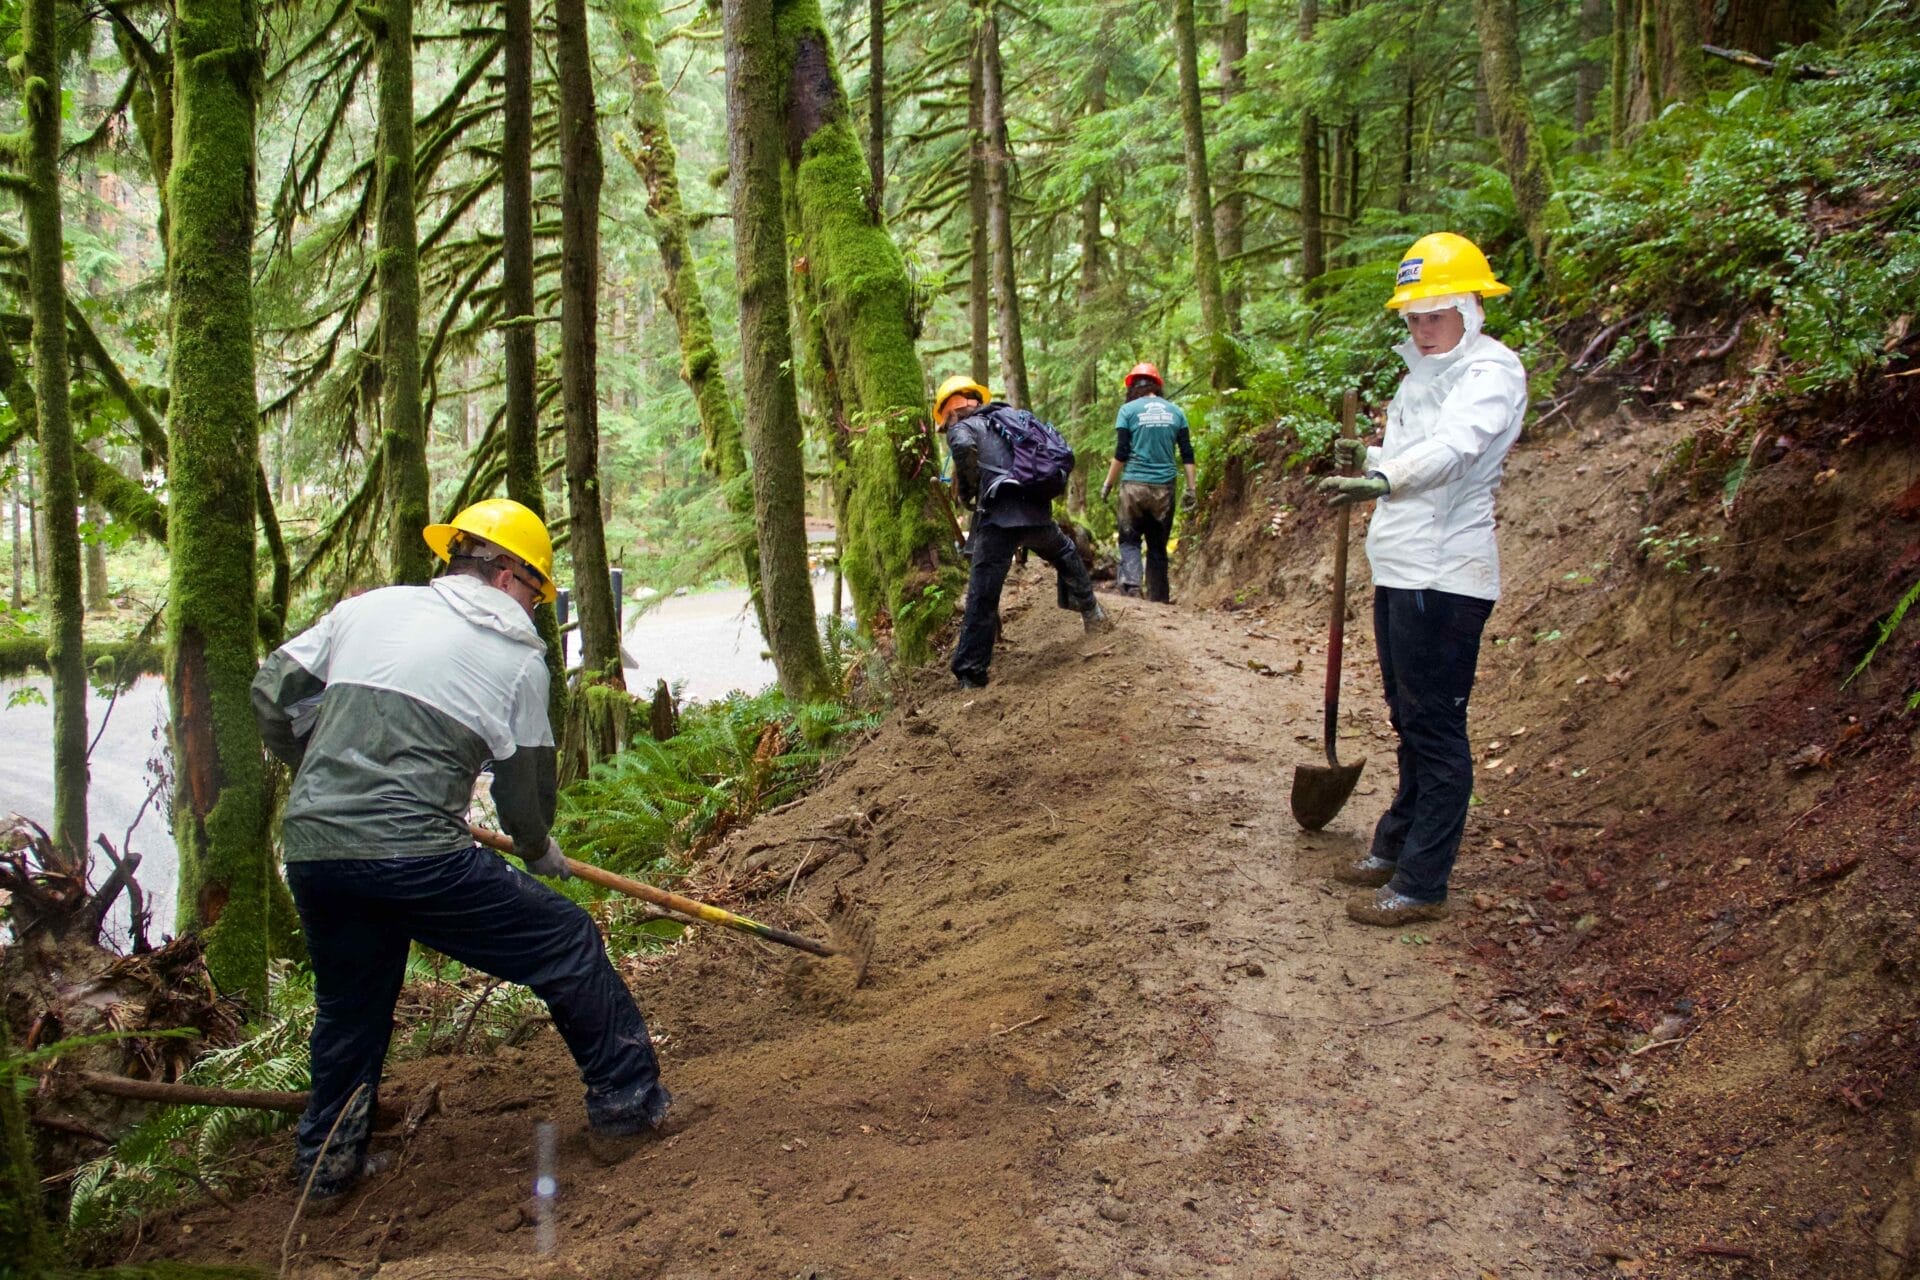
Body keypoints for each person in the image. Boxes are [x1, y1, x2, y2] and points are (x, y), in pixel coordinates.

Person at [251, 498, 673, 1207]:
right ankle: (628, 1109)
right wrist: (537, 848)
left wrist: (320, 772)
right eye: (537, 592)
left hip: (317, 848)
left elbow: (271, 695)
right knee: (566, 941)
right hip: (416, 854)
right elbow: (523, 793)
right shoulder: (518, 658)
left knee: (350, 1008)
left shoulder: (368, 610)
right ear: (506, 574)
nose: (537, 609)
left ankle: (325, 1171)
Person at [1315, 232, 1528, 928]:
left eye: (1435, 315)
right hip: (1401, 568)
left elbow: (1454, 449)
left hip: (1446, 577)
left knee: (1435, 728)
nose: (1422, 329)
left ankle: (1421, 883)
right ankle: (1395, 846)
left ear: (1469, 309)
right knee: (1407, 718)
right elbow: (1412, 451)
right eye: (1413, 317)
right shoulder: (1421, 375)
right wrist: (1372, 456)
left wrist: (1383, 478)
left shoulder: (1491, 373)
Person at [936, 375, 1111, 689]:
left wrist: (969, 491)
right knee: (1065, 551)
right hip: (1035, 511)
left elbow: (962, 447)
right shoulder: (1010, 419)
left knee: (982, 594)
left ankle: (971, 674)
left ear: (950, 411)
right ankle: (1092, 613)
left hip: (998, 518)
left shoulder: (963, 427)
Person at [1099, 363, 1197, 603]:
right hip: (1164, 490)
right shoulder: (1176, 412)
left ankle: (1132, 589)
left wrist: (1108, 484)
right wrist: (1192, 489)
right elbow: (1187, 453)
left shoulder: (1128, 411)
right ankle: (1159, 599)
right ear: (1157, 385)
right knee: (1157, 545)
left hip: (1133, 487)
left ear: (1132, 387)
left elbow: (1121, 452)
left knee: (1129, 540)